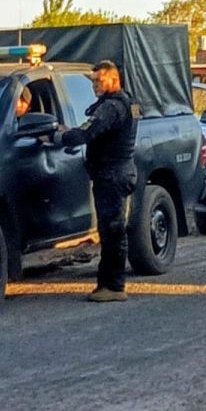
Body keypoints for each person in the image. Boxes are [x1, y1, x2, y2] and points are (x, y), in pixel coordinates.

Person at [48, 61, 138, 301]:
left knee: (112, 231)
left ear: (113, 79)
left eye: (99, 81)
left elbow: (87, 133)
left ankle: (114, 287)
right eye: (93, 81)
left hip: (112, 175)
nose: (95, 86)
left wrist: (58, 136)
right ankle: (107, 285)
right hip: (117, 173)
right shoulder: (124, 102)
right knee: (111, 231)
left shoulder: (111, 107)